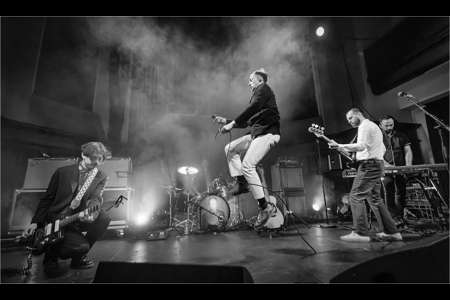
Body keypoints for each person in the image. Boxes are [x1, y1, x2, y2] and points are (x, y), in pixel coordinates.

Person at [21, 142, 112, 270]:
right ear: (83, 155)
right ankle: (51, 251)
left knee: (104, 218)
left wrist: (91, 216)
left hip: (75, 219)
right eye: (93, 161)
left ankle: (79, 257)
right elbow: (47, 199)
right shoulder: (62, 172)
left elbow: (96, 198)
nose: (96, 164)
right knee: (70, 249)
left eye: (100, 160)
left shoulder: (101, 176)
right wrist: (36, 222)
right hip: (58, 219)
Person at [213, 68, 281, 229]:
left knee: (248, 165)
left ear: (260, 80)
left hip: (268, 133)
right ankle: (242, 182)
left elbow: (254, 107)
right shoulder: (259, 100)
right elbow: (246, 122)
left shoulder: (263, 90)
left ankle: (265, 206)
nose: (249, 83)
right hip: (257, 134)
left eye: (251, 80)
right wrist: (227, 121)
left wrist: (232, 123)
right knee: (229, 148)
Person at [328, 108, 402, 242]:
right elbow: (381, 148)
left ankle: (361, 233)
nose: (349, 122)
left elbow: (361, 146)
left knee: (355, 196)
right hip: (375, 164)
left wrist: (338, 145)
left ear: (358, 114)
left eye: (350, 118)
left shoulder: (364, 126)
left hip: (369, 166)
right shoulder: (373, 127)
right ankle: (392, 232)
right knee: (374, 199)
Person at [379, 115, 413, 227]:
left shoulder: (401, 135)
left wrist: (408, 165)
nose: (389, 127)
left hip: (400, 168)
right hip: (386, 169)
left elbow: (408, 151)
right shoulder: (377, 137)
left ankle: (400, 217)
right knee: (388, 192)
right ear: (380, 125)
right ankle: (393, 218)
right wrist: (387, 165)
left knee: (401, 192)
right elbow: (376, 154)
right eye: (386, 125)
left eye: (391, 125)